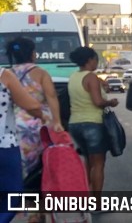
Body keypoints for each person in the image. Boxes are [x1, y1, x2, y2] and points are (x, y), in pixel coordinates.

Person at [6, 37, 64, 178]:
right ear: (33, 54)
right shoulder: (41, 73)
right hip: (39, 125)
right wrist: (57, 122)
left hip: (12, 126)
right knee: (41, 168)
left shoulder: (7, 75)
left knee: (16, 170)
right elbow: (51, 97)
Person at [67, 47, 118, 198]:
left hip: (74, 124)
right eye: (96, 59)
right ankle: (97, 202)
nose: (97, 62)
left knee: (88, 162)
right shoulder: (91, 77)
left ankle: (84, 198)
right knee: (98, 164)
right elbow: (97, 102)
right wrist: (110, 102)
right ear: (90, 60)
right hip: (92, 123)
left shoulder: (74, 76)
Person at [0, 67, 46, 223]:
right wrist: (43, 116)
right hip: (3, 146)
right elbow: (32, 106)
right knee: (12, 194)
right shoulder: (3, 75)